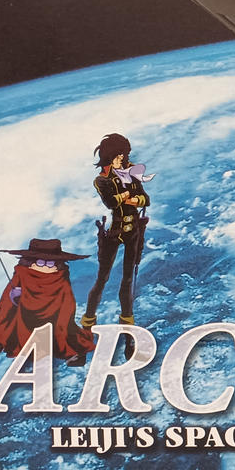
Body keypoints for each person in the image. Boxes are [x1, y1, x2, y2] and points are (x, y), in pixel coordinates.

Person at [82, 133, 152, 354]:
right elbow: (111, 202)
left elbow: (145, 199)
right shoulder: (102, 179)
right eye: (120, 154)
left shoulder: (131, 172)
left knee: (127, 281)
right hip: (114, 232)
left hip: (133, 230)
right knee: (102, 279)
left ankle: (128, 335)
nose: (123, 157)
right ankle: (87, 328)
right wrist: (129, 195)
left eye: (125, 154)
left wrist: (132, 197)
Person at [0, 238, 95, 366]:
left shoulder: (61, 281)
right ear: (30, 262)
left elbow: (68, 306)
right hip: (24, 321)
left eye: (50, 264)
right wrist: (13, 298)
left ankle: (68, 351)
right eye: (39, 262)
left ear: (58, 264)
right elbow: (5, 308)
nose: (45, 267)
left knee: (63, 330)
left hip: (55, 322)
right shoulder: (22, 275)